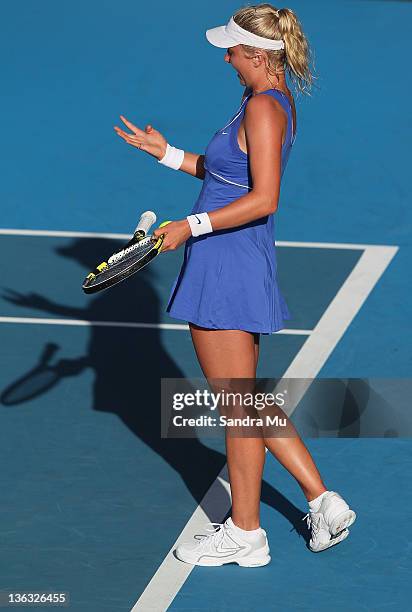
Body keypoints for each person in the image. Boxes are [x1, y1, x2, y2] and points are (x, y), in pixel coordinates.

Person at [114, 4, 356, 566]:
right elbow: (227, 174)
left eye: (232, 49)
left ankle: (279, 518)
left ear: (258, 54)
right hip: (230, 257)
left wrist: (188, 226)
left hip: (226, 261)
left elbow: (265, 197)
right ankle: (288, 515)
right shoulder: (260, 103)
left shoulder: (265, 110)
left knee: (237, 404)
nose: (225, 58)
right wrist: (168, 154)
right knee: (245, 400)